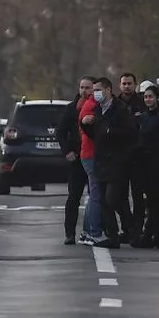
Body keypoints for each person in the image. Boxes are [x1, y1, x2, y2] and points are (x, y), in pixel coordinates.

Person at [83, 77, 137, 249]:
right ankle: (114, 236)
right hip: (101, 162)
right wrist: (85, 125)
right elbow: (96, 135)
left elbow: (130, 133)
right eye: (94, 91)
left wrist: (110, 131)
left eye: (98, 90)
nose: (95, 94)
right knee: (107, 201)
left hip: (117, 162)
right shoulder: (98, 110)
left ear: (107, 90)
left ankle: (131, 230)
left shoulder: (120, 109)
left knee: (111, 199)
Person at [133, 81, 159, 248]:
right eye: (145, 97)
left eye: (150, 97)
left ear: (158, 98)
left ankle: (150, 235)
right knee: (152, 202)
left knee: (154, 201)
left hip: (157, 164)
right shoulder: (143, 117)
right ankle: (158, 236)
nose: (148, 100)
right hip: (143, 164)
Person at [60, 76, 95, 245]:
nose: (84, 91)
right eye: (82, 87)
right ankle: (69, 233)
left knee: (96, 197)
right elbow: (60, 131)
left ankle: (92, 231)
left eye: (87, 88)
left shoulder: (98, 107)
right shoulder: (71, 108)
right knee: (74, 197)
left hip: (94, 158)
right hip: (76, 159)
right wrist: (67, 151)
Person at [119, 72, 146, 239]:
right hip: (120, 156)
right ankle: (127, 227)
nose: (127, 86)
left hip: (138, 156)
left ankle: (137, 228)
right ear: (120, 85)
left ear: (135, 85)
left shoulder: (142, 103)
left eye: (129, 83)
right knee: (119, 195)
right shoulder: (115, 103)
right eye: (124, 83)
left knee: (138, 195)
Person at [77, 87, 104, 245]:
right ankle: (94, 232)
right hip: (91, 154)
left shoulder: (89, 104)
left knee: (93, 194)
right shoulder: (92, 106)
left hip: (88, 153)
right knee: (96, 195)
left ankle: (87, 232)